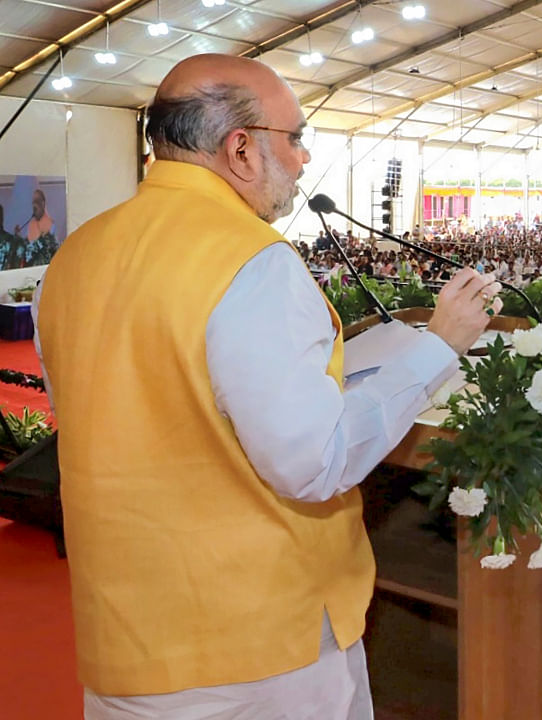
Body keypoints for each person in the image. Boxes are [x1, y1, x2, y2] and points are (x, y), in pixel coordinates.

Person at [33, 54, 500, 719]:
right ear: (242, 149)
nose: (306, 159)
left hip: (124, 637)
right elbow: (314, 461)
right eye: (297, 137)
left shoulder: (74, 256)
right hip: (259, 650)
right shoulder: (249, 262)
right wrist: (436, 348)